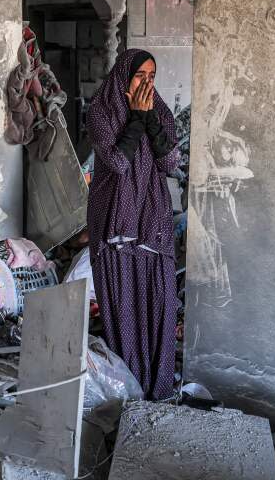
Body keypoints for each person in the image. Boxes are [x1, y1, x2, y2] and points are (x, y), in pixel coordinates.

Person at [86, 48, 180, 400]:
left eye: (151, 77)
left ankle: (158, 388)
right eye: (140, 76)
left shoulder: (160, 109)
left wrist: (149, 117)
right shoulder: (101, 111)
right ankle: (127, 389)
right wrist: (137, 119)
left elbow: (170, 161)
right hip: (114, 218)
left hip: (151, 216)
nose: (146, 84)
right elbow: (116, 162)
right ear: (124, 76)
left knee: (159, 298)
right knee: (122, 298)